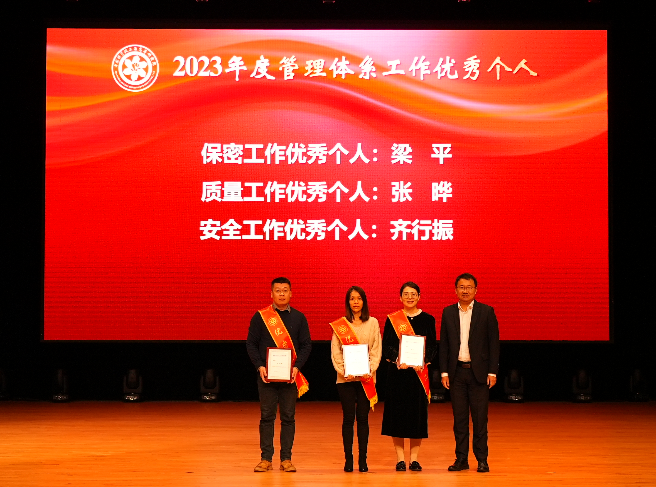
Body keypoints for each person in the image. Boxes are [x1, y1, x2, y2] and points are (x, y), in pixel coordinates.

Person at [246, 277, 312, 473]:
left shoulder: (299, 317)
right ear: (271, 294)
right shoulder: (260, 317)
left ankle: (286, 459)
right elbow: (251, 344)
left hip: (290, 377)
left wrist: (297, 367)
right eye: (278, 290)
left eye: (285, 290)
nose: (281, 293)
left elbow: (306, 345)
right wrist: (259, 366)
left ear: (291, 293)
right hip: (267, 376)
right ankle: (265, 459)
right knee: (267, 417)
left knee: (288, 418)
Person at [439, 273, 500, 473]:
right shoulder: (448, 312)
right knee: (460, 420)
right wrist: (444, 372)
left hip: (479, 374)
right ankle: (461, 459)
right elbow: (444, 345)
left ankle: (482, 459)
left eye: (469, 287)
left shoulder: (486, 311)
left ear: (476, 290)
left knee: (480, 420)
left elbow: (493, 344)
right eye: (462, 287)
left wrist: (492, 372)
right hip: (456, 373)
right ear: (455, 290)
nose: (465, 291)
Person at [381, 282, 437, 472]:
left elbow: (432, 347)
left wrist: (423, 360)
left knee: (416, 417)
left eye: (413, 294)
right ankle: (400, 459)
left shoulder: (428, 319)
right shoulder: (392, 319)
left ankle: (414, 460)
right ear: (400, 297)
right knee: (397, 417)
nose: (410, 297)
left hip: (418, 376)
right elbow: (387, 346)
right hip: (397, 375)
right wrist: (398, 359)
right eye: (406, 294)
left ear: (419, 296)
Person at [330, 286, 382, 473]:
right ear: (348, 302)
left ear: (364, 301)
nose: (356, 302)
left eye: (359, 298)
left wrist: (369, 370)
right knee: (348, 418)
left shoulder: (373, 323)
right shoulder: (341, 325)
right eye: (352, 299)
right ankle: (349, 459)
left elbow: (376, 349)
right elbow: (336, 352)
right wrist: (344, 371)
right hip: (346, 380)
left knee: (363, 418)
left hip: (366, 379)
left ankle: (363, 460)